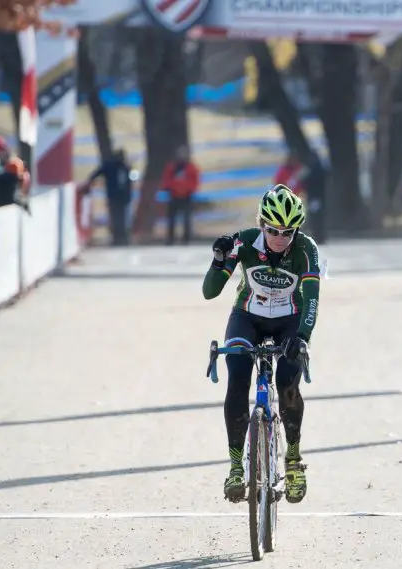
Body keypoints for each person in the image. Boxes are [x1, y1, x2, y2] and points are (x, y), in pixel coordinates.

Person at [202, 184, 322, 504]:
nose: (281, 238)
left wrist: (302, 339)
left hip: (289, 322)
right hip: (247, 317)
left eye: (288, 231)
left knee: (287, 385)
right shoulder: (243, 242)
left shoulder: (306, 250)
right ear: (261, 224)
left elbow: (311, 301)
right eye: (273, 230)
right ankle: (236, 468)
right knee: (238, 378)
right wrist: (218, 260)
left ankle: (294, 460)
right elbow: (210, 292)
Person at [84, 148, 134, 246]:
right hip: (114, 196)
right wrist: (90, 180)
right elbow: (97, 173)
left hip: (123, 197)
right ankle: (117, 238)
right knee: (116, 217)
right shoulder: (111, 166)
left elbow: (129, 183)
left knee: (123, 218)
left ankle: (123, 238)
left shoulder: (126, 167)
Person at [162, 145, 200, 245]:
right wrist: (169, 188)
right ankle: (170, 239)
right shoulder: (171, 168)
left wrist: (190, 190)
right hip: (173, 196)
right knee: (171, 219)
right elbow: (166, 179)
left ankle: (186, 239)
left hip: (186, 196)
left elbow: (195, 180)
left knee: (186, 219)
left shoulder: (191, 168)